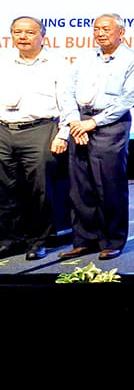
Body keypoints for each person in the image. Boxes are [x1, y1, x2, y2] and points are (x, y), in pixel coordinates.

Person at [59, 13, 134, 261]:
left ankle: (112, 240)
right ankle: (84, 240)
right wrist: (75, 121)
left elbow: (127, 100)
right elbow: (66, 90)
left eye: (106, 28)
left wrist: (92, 123)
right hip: (80, 122)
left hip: (110, 125)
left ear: (121, 32)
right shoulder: (85, 59)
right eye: (96, 28)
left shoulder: (132, 60)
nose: (100, 33)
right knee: (80, 187)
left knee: (109, 186)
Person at [0, 17, 69, 260]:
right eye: (17, 32)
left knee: (39, 189)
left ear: (42, 35)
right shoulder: (4, 62)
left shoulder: (57, 64)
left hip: (40, 129)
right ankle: (11, 239)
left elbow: (67, 104)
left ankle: (38, 240)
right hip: (4, 130)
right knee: (6, 188)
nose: (23, 37)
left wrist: (63, 134)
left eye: (29, 32)